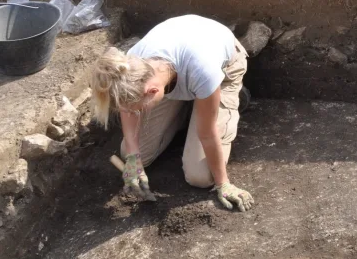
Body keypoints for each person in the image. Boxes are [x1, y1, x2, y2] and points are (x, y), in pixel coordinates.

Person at [90, 14, 255, 212]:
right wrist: (133, 156)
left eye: (139, 108)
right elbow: (129, 109)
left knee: (200, 176)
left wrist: (224, 184)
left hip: (219, 70)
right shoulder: (130, 69)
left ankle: (216, 99)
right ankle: (193, 106)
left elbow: (207, 134)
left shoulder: (203, 70)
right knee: (128, 151)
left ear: (151, 92)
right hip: (176, 76)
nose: (136, 112)